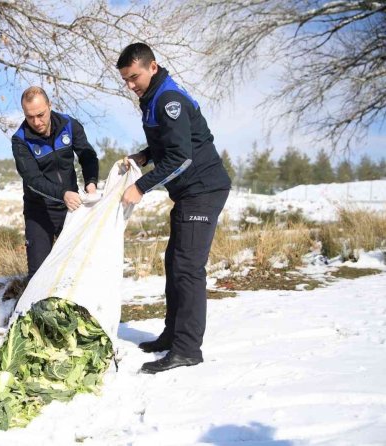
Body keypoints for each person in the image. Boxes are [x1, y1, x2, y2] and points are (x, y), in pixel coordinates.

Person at [118, 43, 231, 373]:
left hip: (203, 189)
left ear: (152, 67)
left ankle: (187, 349)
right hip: (189, 193)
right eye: (125, 79)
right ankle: (171, 335)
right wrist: (145, 155)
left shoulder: (168, 99)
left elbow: (182, 156)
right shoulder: (153, 98)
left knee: (187, 269)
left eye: (134, 77)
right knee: (175, 263)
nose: (130, 85)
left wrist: (140, 186)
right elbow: (172, 142)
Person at [12, 86, 99, 280]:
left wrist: (91, 182)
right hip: (39, 211)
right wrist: (62, 194)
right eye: (29, 117)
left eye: (40, 114)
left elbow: (88, 155)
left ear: (50, 106)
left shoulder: (69, 124)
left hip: (71, 207)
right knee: (39, 274)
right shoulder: (20, 140)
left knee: (79, 266)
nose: (36, 122)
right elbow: (33, 180)